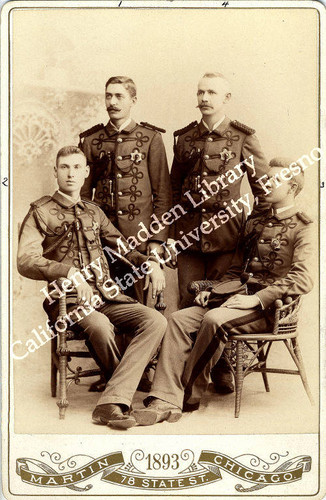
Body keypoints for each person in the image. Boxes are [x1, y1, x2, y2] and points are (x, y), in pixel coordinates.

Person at [133, 158, 314, 426]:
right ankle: (163, 395)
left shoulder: (305, 226)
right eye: (267, 178)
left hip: (268, 309)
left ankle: (184, 395)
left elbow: (303, 278)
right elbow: (235, 270)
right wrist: (216, 292)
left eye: (276, 180)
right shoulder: (254, 223)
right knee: (179, 319)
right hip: (235, 298)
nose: (266, 183)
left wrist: (256, 299)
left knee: (213, 320)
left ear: (293, 187)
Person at [17, 146, 167, 429]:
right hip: (67, 302)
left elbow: (123, 248)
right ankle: (118, 398)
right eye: (64, 167)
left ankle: (112, 400)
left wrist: (150, 264)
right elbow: (25, 260)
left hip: (107, 295)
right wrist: (69, 272)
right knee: (99, 326)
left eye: (76, 167)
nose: (71, 173)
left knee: (155, 320)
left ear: (86, 173)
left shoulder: (94, 213)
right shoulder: (41, 211)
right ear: (56, 172)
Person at [167, 71, 270, 392]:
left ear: (226, 99)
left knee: (221, 305)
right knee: (188, 306)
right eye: (200, 92)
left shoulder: (242, 138)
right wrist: (170, 236)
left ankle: (223, 369)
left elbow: (264, 190)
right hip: (188, 241)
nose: (204, 98)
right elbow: (173, 191)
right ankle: (185, 379)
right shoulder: (184, 139)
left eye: (211, 92)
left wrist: (256, 235)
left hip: (229, 240)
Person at [79, 75, 172, 303]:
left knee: (137, 308)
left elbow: (163, 194)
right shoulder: (92, 140)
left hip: (138, 241)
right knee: (102, 305)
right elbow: (82, 195)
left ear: (133, 100)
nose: (112, 102)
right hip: (99, 241)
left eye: (119, 96)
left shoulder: (150, 138)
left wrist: (157, 240)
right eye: (108, 96)